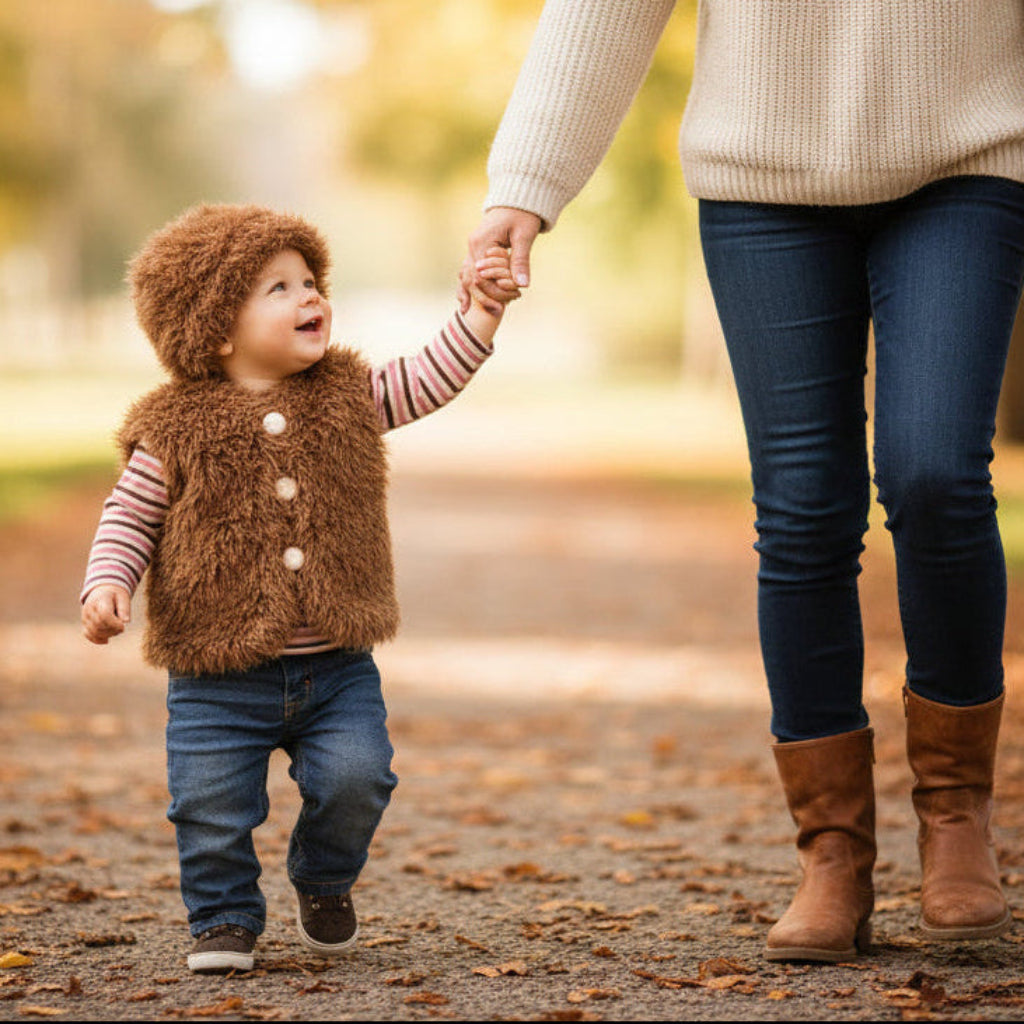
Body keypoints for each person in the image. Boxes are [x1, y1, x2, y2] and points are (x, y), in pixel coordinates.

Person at [460, 0, 1024, 962]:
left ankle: (957, 814)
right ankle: (833, 851)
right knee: (804, 509)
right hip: (761, 179)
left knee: (935, 474)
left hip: (968, 159)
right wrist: (524, 184)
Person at [80, 202, 518, 974]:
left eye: (310, 280)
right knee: (209, 806)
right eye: (278, 288)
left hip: (336, 665)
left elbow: (430, 378)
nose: (310, 296)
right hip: (217, 674)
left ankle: (322, 877)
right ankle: (222, 920)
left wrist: (480, 313)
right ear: (215, 326)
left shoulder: (349, 396)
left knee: (359, 777)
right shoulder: (172, 429)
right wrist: (108, 583)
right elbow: (129, 516)